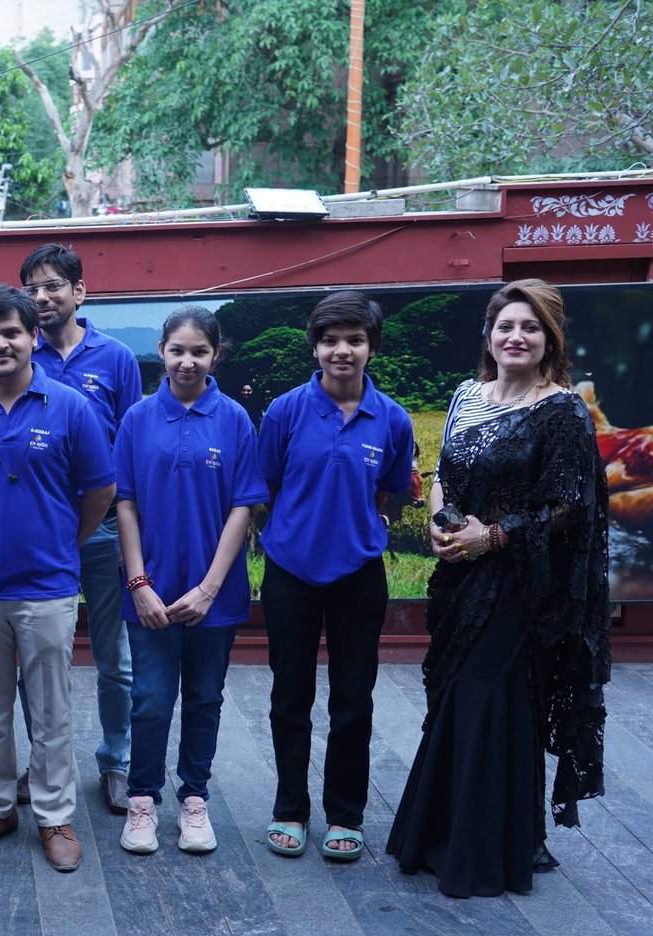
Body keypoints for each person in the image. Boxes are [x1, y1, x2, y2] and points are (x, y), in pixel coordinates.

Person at [387, 279, 609, 897]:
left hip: (518, 581)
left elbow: (570, 504)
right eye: (506, 325)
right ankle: (447, 832)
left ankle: (484, 850)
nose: (516, 337)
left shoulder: (562, 411)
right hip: (459, 575)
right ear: (488, 335)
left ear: (550, 340)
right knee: (457, 693)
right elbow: (444, 473)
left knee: (487, 694)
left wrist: (493, 536)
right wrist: (441, 520)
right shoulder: (466, 395)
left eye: (530, 327)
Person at [0, 284, 115, 873]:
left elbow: (100, 489)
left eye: (11, 332)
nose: (0, 343)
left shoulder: (70, 407)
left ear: (33, 336)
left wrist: (62, 542)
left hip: (48, 586)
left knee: (51, 711)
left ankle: (54, 816)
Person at [259, 291, 414, 861]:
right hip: (290, 571)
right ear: (315, 347)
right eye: (329, 340)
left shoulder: (392, 419)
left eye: (354, 340)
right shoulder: (285, 411)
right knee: (289, 696)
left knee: (353, 699)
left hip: (358, 575)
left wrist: (356, 528)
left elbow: (390, 492)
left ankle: (346, 814)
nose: (341, 350)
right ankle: (289, 809)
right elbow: (268, 486)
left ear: (373, 346)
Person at [114, 308, 264, 855]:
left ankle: (194, 798)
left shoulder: (235, 419)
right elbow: (124, 503)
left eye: (199, 351)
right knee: (151, 700)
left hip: (214, 596)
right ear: (161, 350)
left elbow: (243, 507)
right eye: (177, 350)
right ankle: (142, 800)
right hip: (149, 591)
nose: (187, 361)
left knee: (204, 698)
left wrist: (209, 589)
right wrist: (139, 583)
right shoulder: (137, 418)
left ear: (215, 355)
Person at [21, 243, 142, 816]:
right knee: (39, 657)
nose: (42, 297)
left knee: (114, 658)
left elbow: (133, 448)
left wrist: (132, 536)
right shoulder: (21, 353)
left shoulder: (115, 358)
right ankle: (44, 764)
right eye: (32, 289)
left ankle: (117, 761)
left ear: (79, 292)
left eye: (52, 286)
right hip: (40, 532)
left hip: (105, 532)